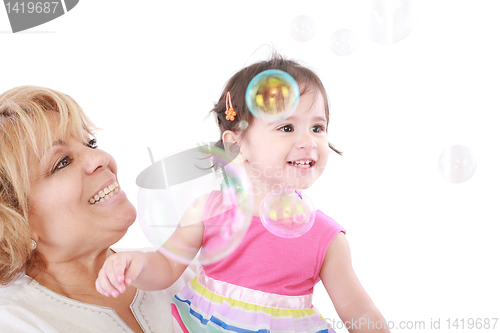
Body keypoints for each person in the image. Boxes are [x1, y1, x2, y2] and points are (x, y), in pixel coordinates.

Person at [96, 55, 390, 332]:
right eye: (287, 127)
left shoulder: (326, 238)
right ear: (237, 145)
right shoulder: (209, 211)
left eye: (317, 127)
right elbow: (167, 266)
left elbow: (360, 313)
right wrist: (136, 264)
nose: (308, 141)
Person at [0, 86, 195, 333]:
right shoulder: (15, 322)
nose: (101, 157)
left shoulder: (188, 273)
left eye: (90, 143)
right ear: (15, 217)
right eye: (62, 162)